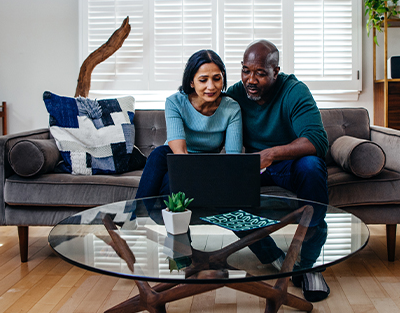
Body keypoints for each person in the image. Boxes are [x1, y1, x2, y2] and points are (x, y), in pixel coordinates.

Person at [226, 40, 330, 302]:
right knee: (224, 191)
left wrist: (271, 154)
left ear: (276, 71)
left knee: (312, 165)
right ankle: (275, 258)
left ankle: (308, 265)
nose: (251, 79)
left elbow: (317, 141)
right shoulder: (235, 93)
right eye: (245, 70)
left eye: (260, 73)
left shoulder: (294, 91)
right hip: (250, 168)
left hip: (286, 165)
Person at [136, 49, 243, 198]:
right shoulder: (175, 102)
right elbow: (180, 153)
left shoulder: (231, 108)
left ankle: (140, 217)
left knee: (167, 184)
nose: (211, 86)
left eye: (216, 78)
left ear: (223, 78)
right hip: (179, 159)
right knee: (159, 154)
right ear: (191, 82)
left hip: (209, 162)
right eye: (203, 80)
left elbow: (233, 159)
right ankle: (135, 216)